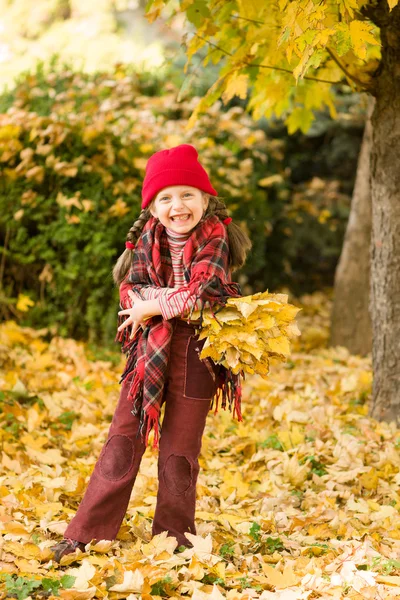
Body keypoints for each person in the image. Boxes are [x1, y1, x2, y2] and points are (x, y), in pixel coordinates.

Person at [50, 144, 252, 562]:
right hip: (149, 355)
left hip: (198, 355)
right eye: (166, 198)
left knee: (180, 451)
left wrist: (154, 305)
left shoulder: (216, 241)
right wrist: (162, 302)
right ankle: (87, 532)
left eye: (187, 195)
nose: (178, 206)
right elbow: (131, 292)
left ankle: (174, 538)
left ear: (205, 199)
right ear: (153, 207)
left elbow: (207, 297)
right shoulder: (146, 240)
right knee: (122, 440)